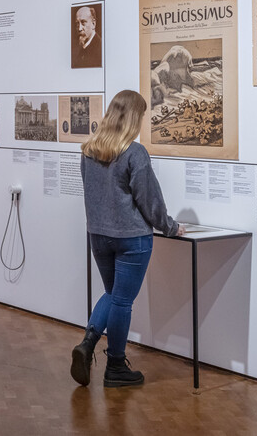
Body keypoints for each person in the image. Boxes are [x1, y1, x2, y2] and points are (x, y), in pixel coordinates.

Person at [70, 89, 183, 387]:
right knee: (122, 300)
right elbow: (150, 201)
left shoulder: (88, 150)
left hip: (98, 235)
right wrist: (170, 227)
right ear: (134, 117)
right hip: (132, 238)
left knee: (113, 295)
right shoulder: (135, 153)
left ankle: (88, 342)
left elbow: (92, 195)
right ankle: (116, 366)